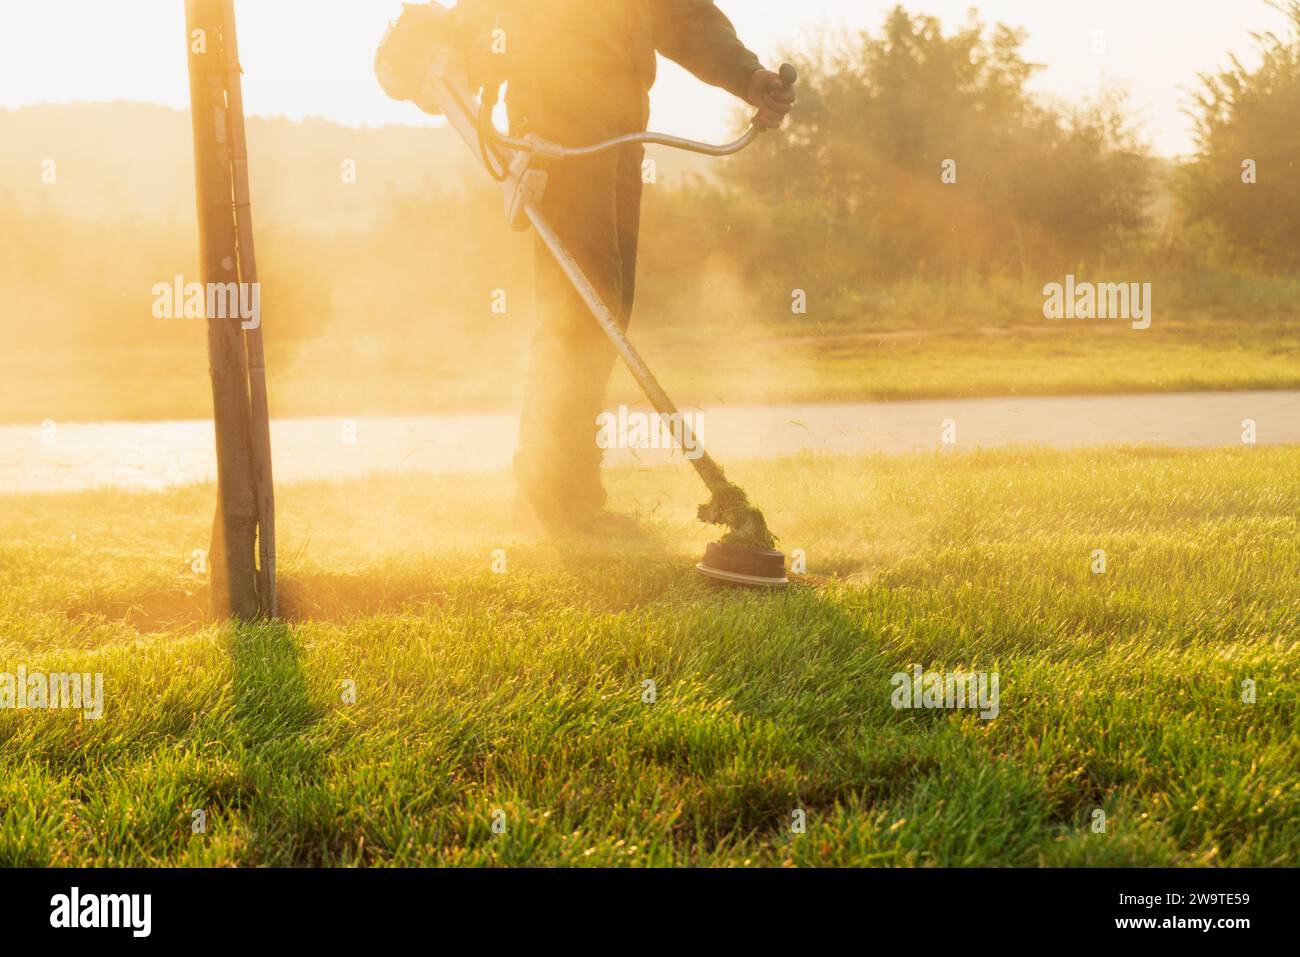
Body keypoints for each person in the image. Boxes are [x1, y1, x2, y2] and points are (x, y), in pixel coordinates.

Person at [495, 1, 797, 531]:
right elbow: (479, 26)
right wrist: (430, 51)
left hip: (622, 135)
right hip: (557, 137)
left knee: (608, 307)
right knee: (583, 310)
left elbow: (686, 18)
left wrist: (749, 78)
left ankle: (564, 488)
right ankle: (554, 496)